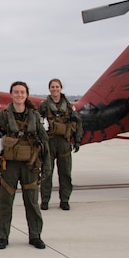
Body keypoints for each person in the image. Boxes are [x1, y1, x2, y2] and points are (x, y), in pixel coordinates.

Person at [0, 81, 51, 250]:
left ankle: (35, 235)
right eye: (16, 92)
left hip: (30, 165)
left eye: (22, 92)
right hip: (9, 166)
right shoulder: (4, 115)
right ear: (11, 95)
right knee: (5, 203)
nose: (19, 95)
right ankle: (3, 236)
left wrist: (47, 166)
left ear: (26, 95)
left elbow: (45, 142)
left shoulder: (35, 116)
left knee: (32, 203)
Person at [38, 78, 83, 211]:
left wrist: (78, 140)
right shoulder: (44, 106)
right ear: (49, 89)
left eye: (57, 87)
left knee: (65, 174)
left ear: (60, 88)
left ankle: (65, 200)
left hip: (64, 143)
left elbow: (77, 122)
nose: (55, 89)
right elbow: (37, 123)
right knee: (46, 173)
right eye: (52, 87)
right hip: (49, 143)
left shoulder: (69, 106)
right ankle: (45, 200)